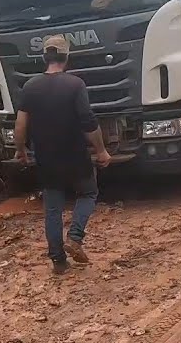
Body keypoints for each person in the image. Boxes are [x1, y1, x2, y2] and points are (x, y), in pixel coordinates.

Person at [13, 34, 112, 274]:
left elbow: (20, 125)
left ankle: (58, 261)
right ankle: (75, 237)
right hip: (75, 154)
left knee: (53, 209)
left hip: (46, 158)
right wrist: (101, 150)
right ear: (66, 57)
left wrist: (20, 150)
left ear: (44, 57)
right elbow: (88, 121)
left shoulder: (30, 86)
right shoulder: (75, 85)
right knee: (88, 192)